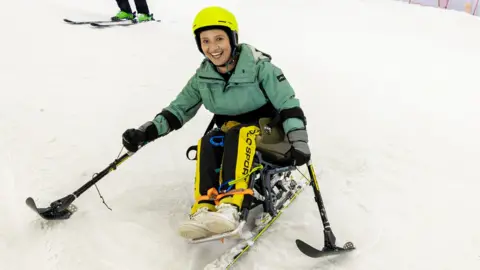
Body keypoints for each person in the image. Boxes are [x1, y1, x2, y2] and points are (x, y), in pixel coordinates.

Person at [121, 6, 311, 239]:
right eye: (205, 41)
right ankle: (205, 206)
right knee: (211, 139)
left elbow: (288, 104)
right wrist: (146, 132)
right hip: (233, 136)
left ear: (232, 38)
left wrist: (299, 141)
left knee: (239, 134)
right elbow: (178, 110)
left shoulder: (260, 67)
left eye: (219, 38)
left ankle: (232, 204)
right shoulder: (203, 78)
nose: (213, 48)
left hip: (273, 135)